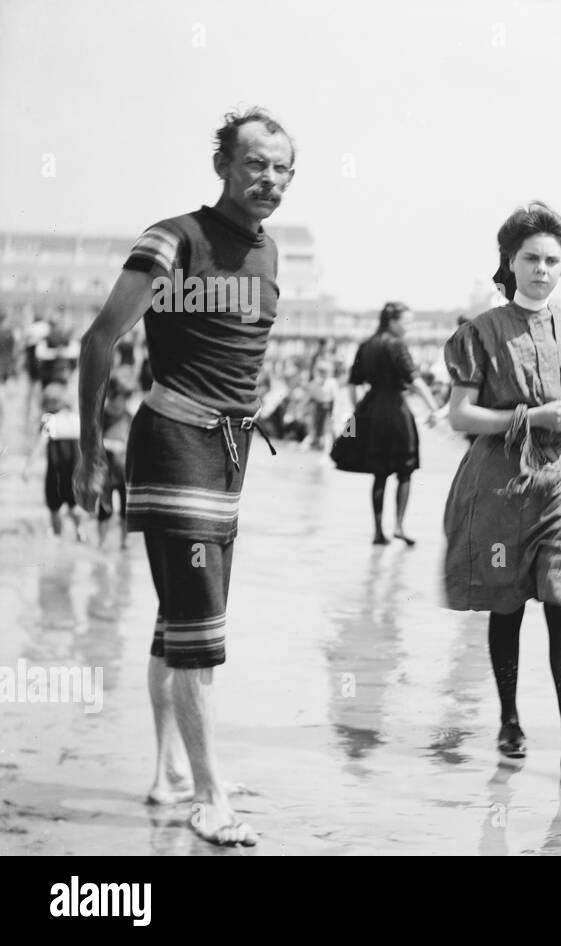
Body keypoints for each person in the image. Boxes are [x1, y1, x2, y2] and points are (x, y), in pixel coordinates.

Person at [73, 106, 297, 847]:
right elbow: (99, 338)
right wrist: (87, 453)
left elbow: (246, 360)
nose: (270, 178)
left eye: (282, 168)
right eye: (256, 163)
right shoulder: (174, 237)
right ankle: (209, 799)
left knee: (178, 623)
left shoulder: (269, 255)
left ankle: (171, 772)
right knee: (201, 630)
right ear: (224, 166)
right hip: (174, 444)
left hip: (229, 457)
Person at [442, 201, 561, 782]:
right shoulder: (479, 333)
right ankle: (510, 718)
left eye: (552, 260)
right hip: (499, 489)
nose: (541, 268)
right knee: (507, 605)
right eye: (530, 258)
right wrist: (531, 415)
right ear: (509, 263)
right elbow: (460, 416)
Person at [344, 303, 440, 544]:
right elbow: (416, 382)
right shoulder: (397, 345)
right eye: (407, 322)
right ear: (393, 321)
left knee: (380, 472)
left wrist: (358, 410)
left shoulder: (366, 345)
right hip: (396, 411)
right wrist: (435, 410)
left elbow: (353, 384)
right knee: (404, 469)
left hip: (371, 409)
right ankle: (398, 526)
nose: (409, 327)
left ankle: (378, 531)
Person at [23, 382, 84, 540]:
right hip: (75, 473)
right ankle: (79, 530)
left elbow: (39, 445)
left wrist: (28, 467)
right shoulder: (76, 419)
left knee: (54, 508)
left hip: (55, 473)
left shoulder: (50, 421)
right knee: (74, 505)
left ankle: (58, 535)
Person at [96, 369, 135, 549]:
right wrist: (109, 445)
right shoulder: (101, 416)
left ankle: (124, 542)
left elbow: (137, 441)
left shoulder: (128, 416)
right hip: (106, 471)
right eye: (122, 397)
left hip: (125, 471)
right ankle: (102, 542)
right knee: (105, 509)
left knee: (126, 510)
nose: (124, 401)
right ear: (111, 396)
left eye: (127, 397)